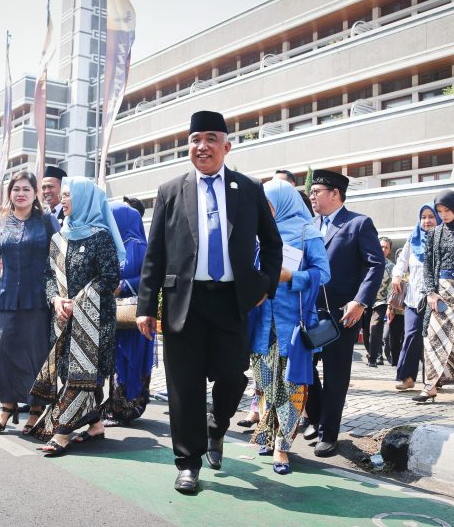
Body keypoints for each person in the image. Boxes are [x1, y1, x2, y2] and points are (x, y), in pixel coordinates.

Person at [136, 110, 283, 494]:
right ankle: (188, 463)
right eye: (195, 139)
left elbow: (272, 243)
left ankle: (218, 425)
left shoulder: (249, 189)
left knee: (233, 377)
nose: (202, 147)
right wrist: (146, 307)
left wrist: (264, 284)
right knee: (184, 386)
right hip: (184, 301)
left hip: (233, 302)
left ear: (226, 146)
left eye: (211, 139)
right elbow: (155, 254)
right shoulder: (171, 190)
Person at [31, 177, 125, 455]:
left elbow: (110, 278)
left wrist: (80, 301)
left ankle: (61, 434)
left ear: (84, 199)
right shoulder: (57, 238)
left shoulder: (101, 237)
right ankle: (95, 425)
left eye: (69, 194)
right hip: (63, 319)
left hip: (95, 322)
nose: (62, 198)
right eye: (63, 194)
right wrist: (56, 299)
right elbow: (49, 276)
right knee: (69, 374)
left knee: (82, 377)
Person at [249, 179, 330, 475]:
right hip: (262, 324)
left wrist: (291, 278)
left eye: (269, 204)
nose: (265, 210)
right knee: (265, 385)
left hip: (292, 327)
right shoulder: (259, 234)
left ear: (282, 202)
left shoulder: (308, 233)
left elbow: (323, 274)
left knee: (292, 386)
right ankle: (268, 434)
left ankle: (283, 448)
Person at [302, 169, 385, 457]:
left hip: (343, 313)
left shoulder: (358, 224)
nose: (312, 196)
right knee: (305, 369)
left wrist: (360, 301)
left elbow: (376, 264)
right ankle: (316, 417)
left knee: (336, 374)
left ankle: (329, 433)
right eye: (310, 192)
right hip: (310, 311)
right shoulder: (309, 225)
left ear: (335, 193)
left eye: (317, 191)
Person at [0, 171, 59, 434]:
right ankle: (6, 407)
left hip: (39, 300)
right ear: (9, 193)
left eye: (26, 189)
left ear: (35, 194)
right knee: (2, 352)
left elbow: (60, 259)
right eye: (16, 189)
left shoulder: (46, 222)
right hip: (6, 299)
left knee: (36, 356)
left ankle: (36, 410)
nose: (21, 194)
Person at [415, 190, 454, 403]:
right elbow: (428, 265)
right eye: (440, 211)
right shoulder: (435, 233)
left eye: (447, 210)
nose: (443, 215)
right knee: (433, 338)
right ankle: (430, 386)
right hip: (439, 293)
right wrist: (431, 293)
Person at [100, 202, 155, 427]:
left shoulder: (139, 246)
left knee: (130, 359)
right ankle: (116, 406)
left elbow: (150, 278)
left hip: (134, 316)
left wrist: (122, 285)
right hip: (115, 314)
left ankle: (126, 408)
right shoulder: (114, 244)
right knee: (117, 359)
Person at [391, 204, 440, 391]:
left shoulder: (444, 238)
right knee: (411, 335)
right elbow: (402, 262)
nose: (427, 221)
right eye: (424, 217)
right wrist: (397, 275)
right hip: (413, 298)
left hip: (436, 299)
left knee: (434, 339)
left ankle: (434, 378)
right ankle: (407, 376)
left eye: (431, 217)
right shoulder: (413, 239)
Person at [361, 236, 394, 367]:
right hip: (365, 301)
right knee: (366, 331)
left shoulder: (391, 266)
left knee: (374, 327)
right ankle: (371, 353)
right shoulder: (367, 261)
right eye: (381, 246)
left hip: (381, 302)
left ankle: (373, 359)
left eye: (386, 247)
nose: (383, 249)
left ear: (389, 250)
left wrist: (389, 306)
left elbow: (392, 288)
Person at [384, 248, 406, 366]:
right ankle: (396, 361)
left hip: (409, 311)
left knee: (405, 338)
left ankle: (403, 361)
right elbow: (390, 292)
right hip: (395, 311)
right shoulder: (394, 272)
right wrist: (389, 308)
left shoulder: (413, 270)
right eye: (399, 256)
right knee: (393, 338)